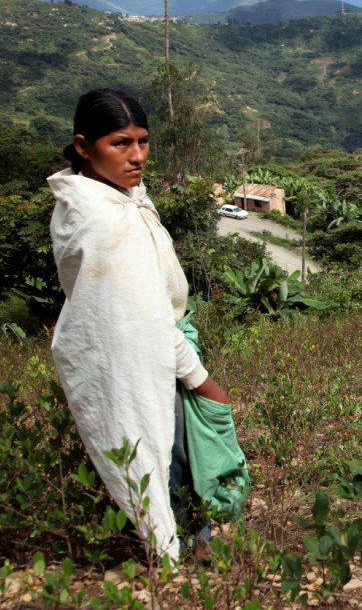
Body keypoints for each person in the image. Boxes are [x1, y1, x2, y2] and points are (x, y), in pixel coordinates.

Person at [47, 88, 229, 562]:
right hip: (139, 350)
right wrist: (199, 377)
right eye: (121, 143)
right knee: (162, 451)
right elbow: (139, 314)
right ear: (83, 146)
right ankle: (182, 552)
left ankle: (185, 541)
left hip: (155, 341)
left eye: (144, 142)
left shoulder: (119, 198)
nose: (138, 156)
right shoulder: (102, 221)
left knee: (170, 450)